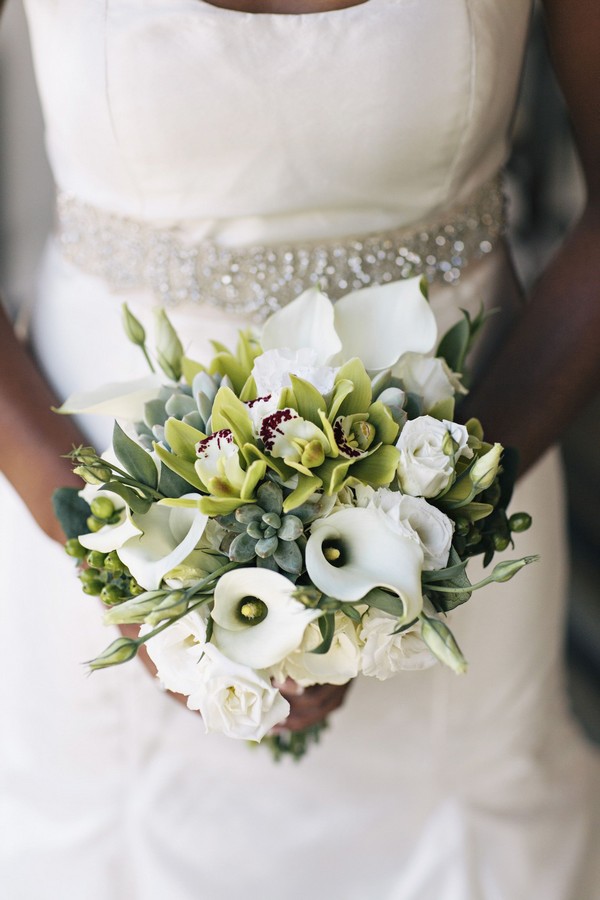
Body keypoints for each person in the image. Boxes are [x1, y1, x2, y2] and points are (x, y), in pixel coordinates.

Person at [0, 0, 598, 897]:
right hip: (93, 485)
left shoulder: (457, 513)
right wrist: (101, 546)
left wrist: (439, 526)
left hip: (475, 479)